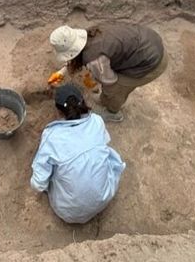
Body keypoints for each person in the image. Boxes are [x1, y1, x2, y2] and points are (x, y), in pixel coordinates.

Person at [30, 85, 126, 224]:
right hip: (104, 198)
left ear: (58, 111)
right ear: (83, 103)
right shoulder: (97, 121)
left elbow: (38, 184)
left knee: (53, 171)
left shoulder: (52, 136)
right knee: (105, 152)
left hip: (68, 213)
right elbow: (104, 144)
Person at [49, 23, 167, 122]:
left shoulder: (95, 60)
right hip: (149, 40)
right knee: (108, 87)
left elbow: (111, 83)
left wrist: (107, 95)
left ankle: (113, 113)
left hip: (151, 63)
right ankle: (105, 100)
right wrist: (62, 71)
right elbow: (77, 54)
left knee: (116, 90)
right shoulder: (91, 33)